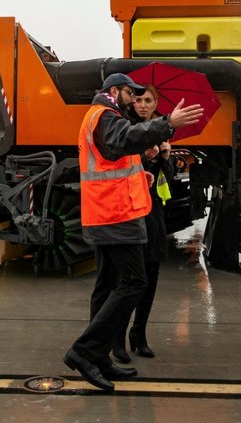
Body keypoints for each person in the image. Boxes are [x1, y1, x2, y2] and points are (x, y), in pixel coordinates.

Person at [63, 72, 203, 392]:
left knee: (108, 285)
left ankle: (98, 357)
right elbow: (123, 141)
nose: (135, 99)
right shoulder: (106, 116)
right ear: (115, 92)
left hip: (108, 213)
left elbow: (115, 159)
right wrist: (167, 123)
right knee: (134, 282)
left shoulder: (104, 117)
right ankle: (84, 352)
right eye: (131, 93)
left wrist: (145, 176)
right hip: (115, 215)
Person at [112, 85, 175, 363]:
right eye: (138, 99)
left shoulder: (162, 132)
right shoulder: (127, 129)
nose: (143, 105)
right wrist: (143, 156)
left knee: (151, 277)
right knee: (129, 280)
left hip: (154, 213)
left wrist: (164, 158)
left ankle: (140, 334)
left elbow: (166, 181)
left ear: (156, 103)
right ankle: (118, 339)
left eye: (149, 100)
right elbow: (119, 165)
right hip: (131, 211)